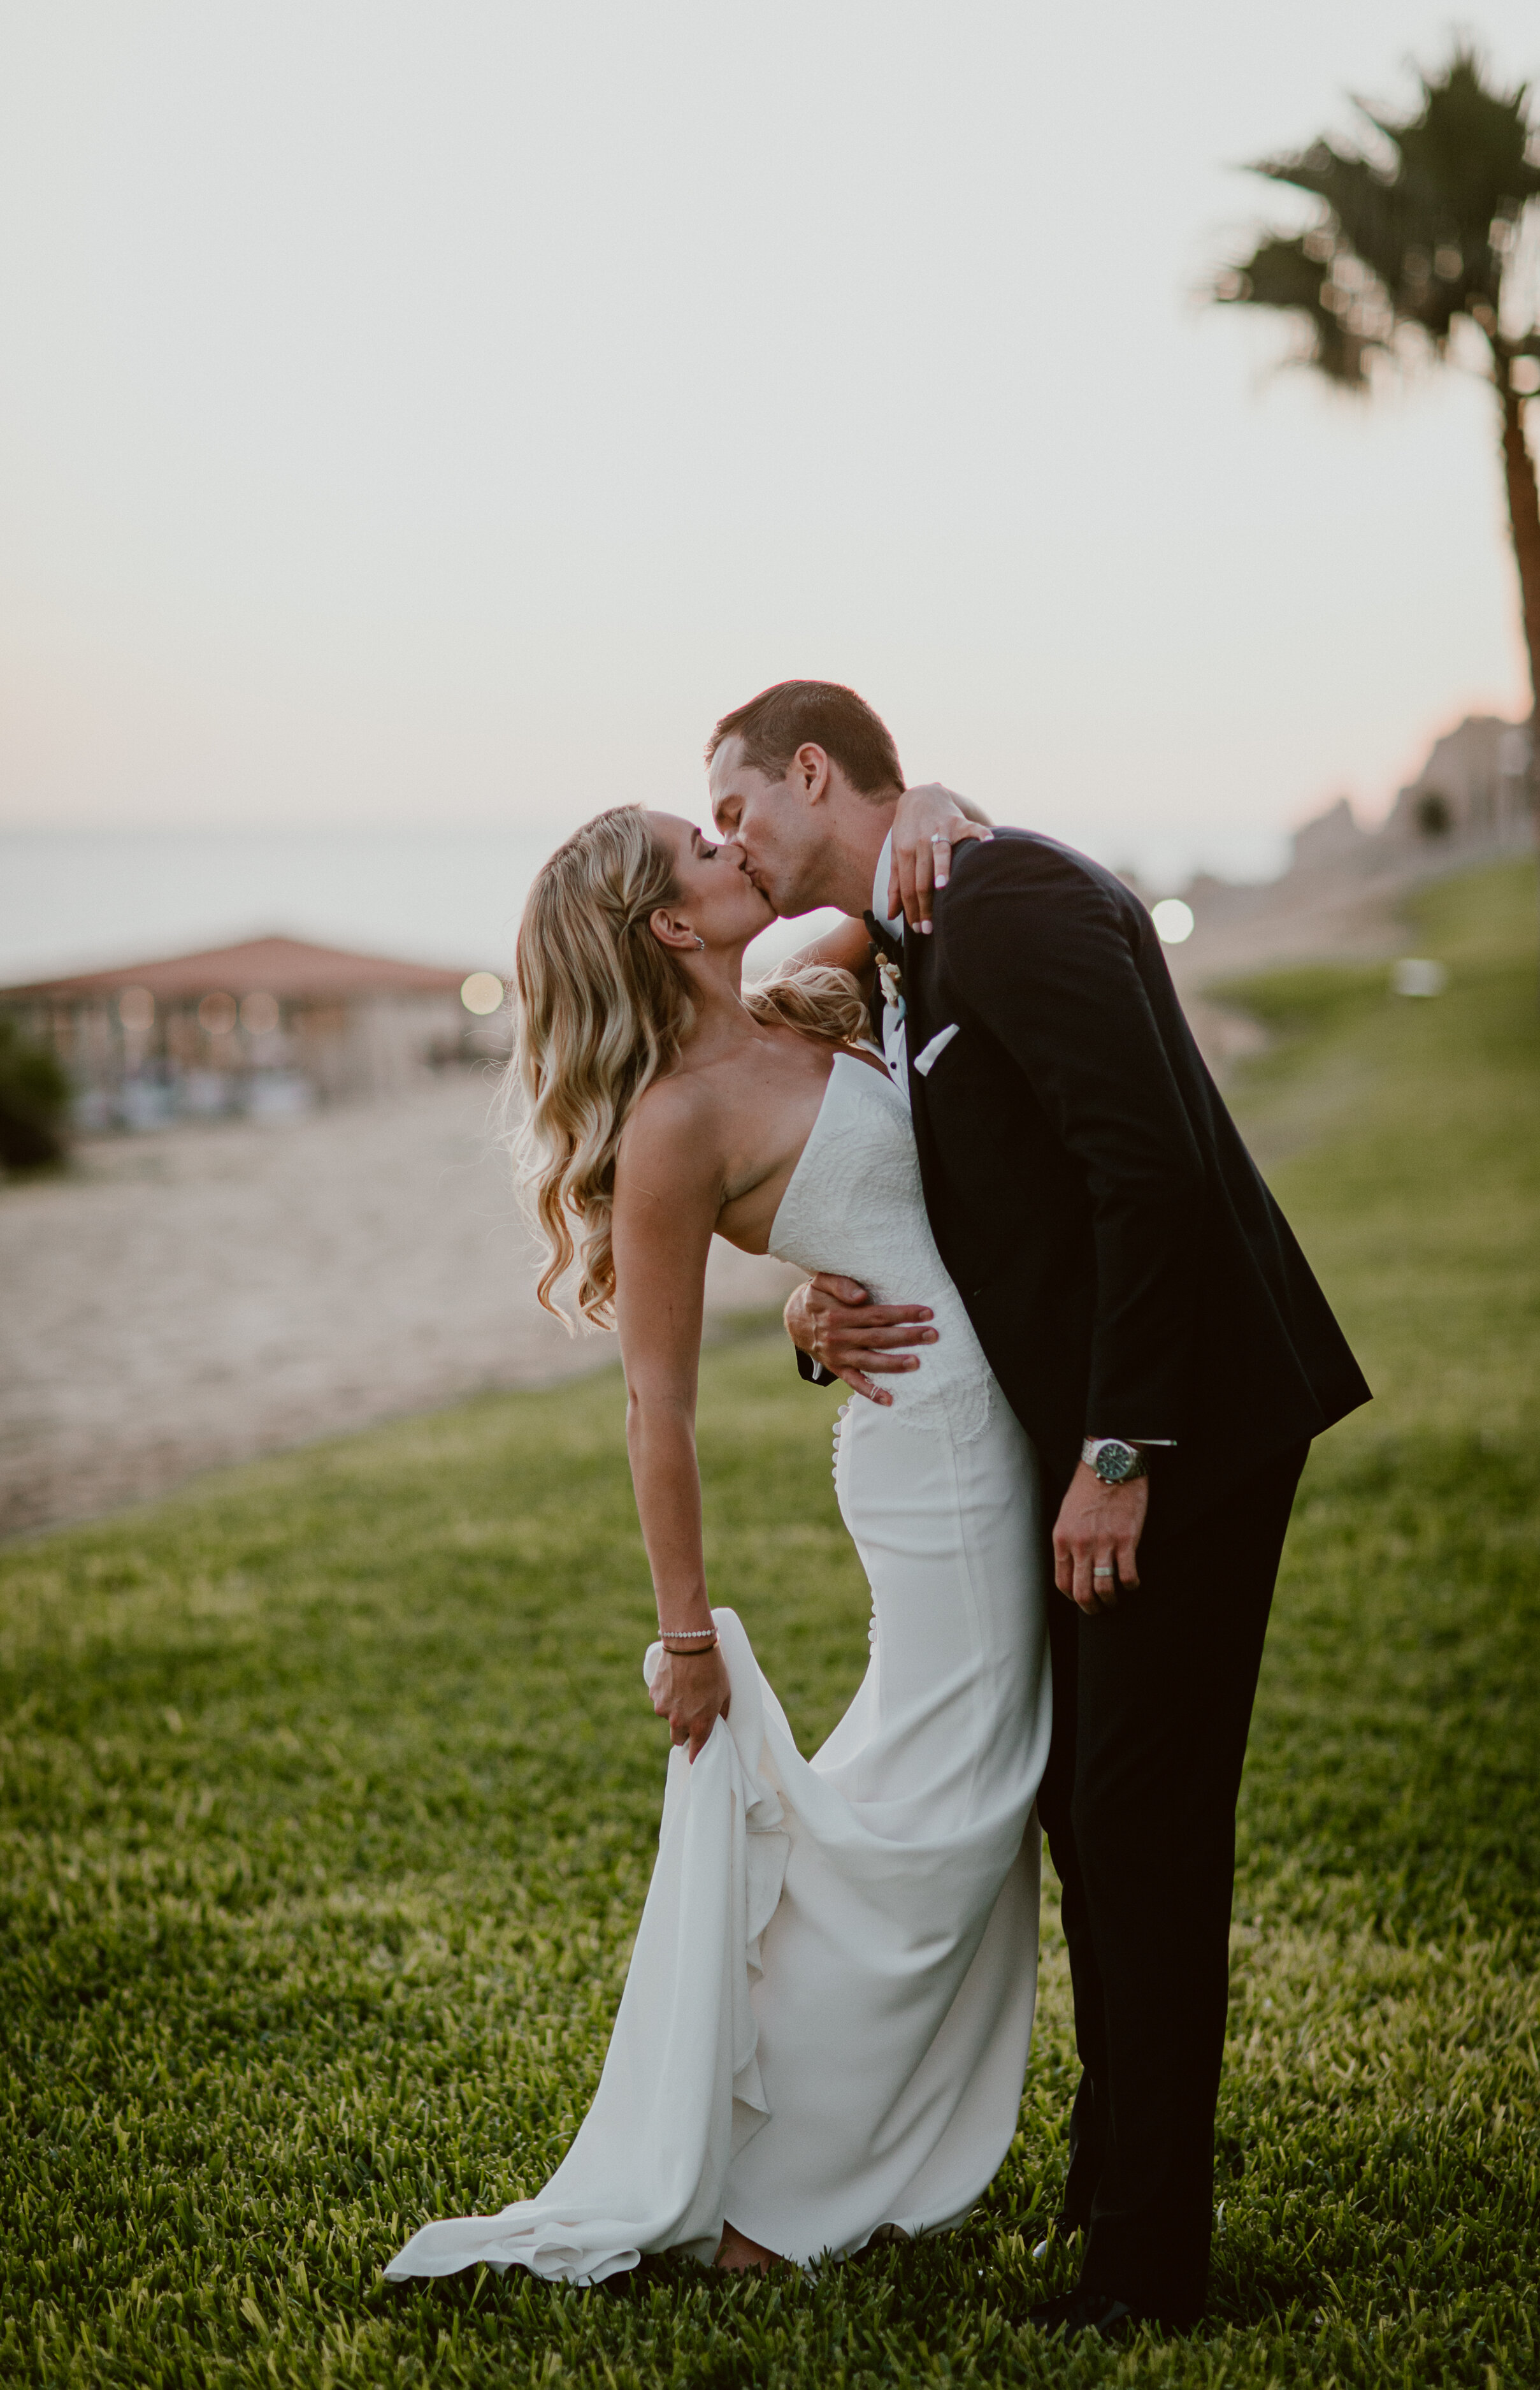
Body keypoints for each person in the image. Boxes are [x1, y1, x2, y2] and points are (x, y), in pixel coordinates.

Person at [706, 679, 1371, 2338]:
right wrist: (810, 1312)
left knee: (1140, 1829)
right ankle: (1116, 2184)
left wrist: (1119, 1451)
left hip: (1191, 1438)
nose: (728, 841)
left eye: (733, 807)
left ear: (809, 769)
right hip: (1115, 1440)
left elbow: (1144, 1164)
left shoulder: (997, 903)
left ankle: (1150, 2268)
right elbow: (940, 1177)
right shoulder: (924, 917)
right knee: (1093, 1806)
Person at [384, 792, 1054, 2289]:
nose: (732, 852)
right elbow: (655, 1412)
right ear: (667, 926)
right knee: (954, 1818)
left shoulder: (800, 992)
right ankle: (767, 2197)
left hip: (994, 1421)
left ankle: (798, 2149)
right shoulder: (670, 1129)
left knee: (927, 1804)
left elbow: (901, 887)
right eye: (701, 850)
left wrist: (938, 799)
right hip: (933, 1458)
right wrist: (686, 1637)